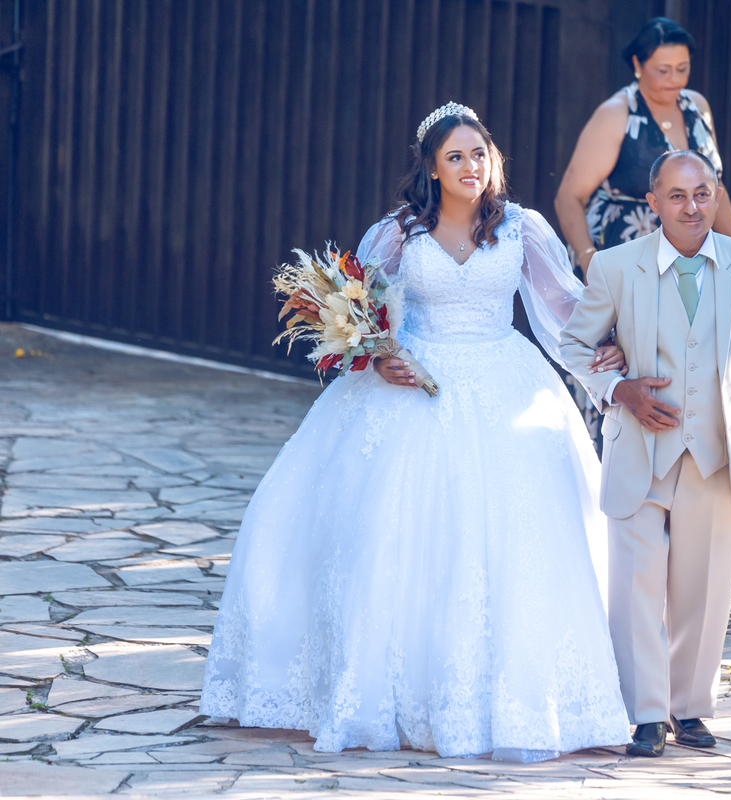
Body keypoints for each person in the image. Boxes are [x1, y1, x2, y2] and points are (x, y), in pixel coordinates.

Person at [199, 102, 632, 761]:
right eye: (455, 157)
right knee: (388, 537)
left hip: (505, 381)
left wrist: (613, 355)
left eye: (479, 154)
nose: (470, 166)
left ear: (493, 161)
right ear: (432, 167)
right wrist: (379, 357)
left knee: (514, 537)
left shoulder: (522, 228)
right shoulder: (398, 234)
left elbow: (566, 309)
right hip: (411, 386)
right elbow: (361, 316)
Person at [559, 150, 731, 757]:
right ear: (653, 202)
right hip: (640, 452)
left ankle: (688, 709)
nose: (692, 207)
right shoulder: (615, 267)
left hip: (717, 458)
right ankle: (645, 715)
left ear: (717, 196)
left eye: (702, 193)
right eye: (677, 195)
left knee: (704, 589)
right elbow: (574, 344)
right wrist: (619, 388)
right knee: (636, 587)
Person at [554, 17, 731, 282]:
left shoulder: (697, 107)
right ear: (637, 64)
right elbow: (568, 198)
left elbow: (714, 186)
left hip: (686, 257)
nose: (674, 79)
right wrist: (590, 261)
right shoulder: (616, 114)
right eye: (663, 70)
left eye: (682, 69)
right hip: (621, 258)